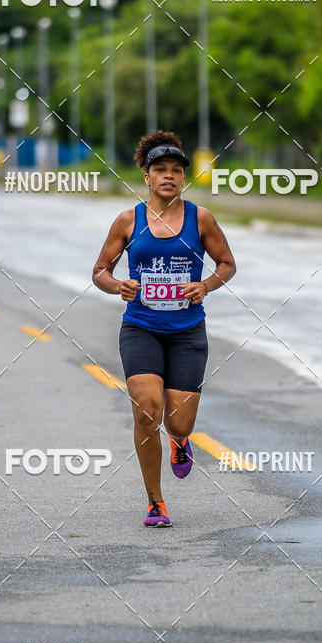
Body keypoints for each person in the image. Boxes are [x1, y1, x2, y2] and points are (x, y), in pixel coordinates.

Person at [92, 129, 236, 528]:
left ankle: (180, 440)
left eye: (175, 169)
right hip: (141, 327)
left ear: (184, 177)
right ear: (147, 176)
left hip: (188, 331)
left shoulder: (200, 219)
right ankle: (155, 502)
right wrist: (117, 285)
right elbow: (100, 270)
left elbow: (227, 263)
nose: (168, 175)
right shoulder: (128, 221)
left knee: (178, 422)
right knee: (146, 412)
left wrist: (206, 285)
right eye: (160, 169)